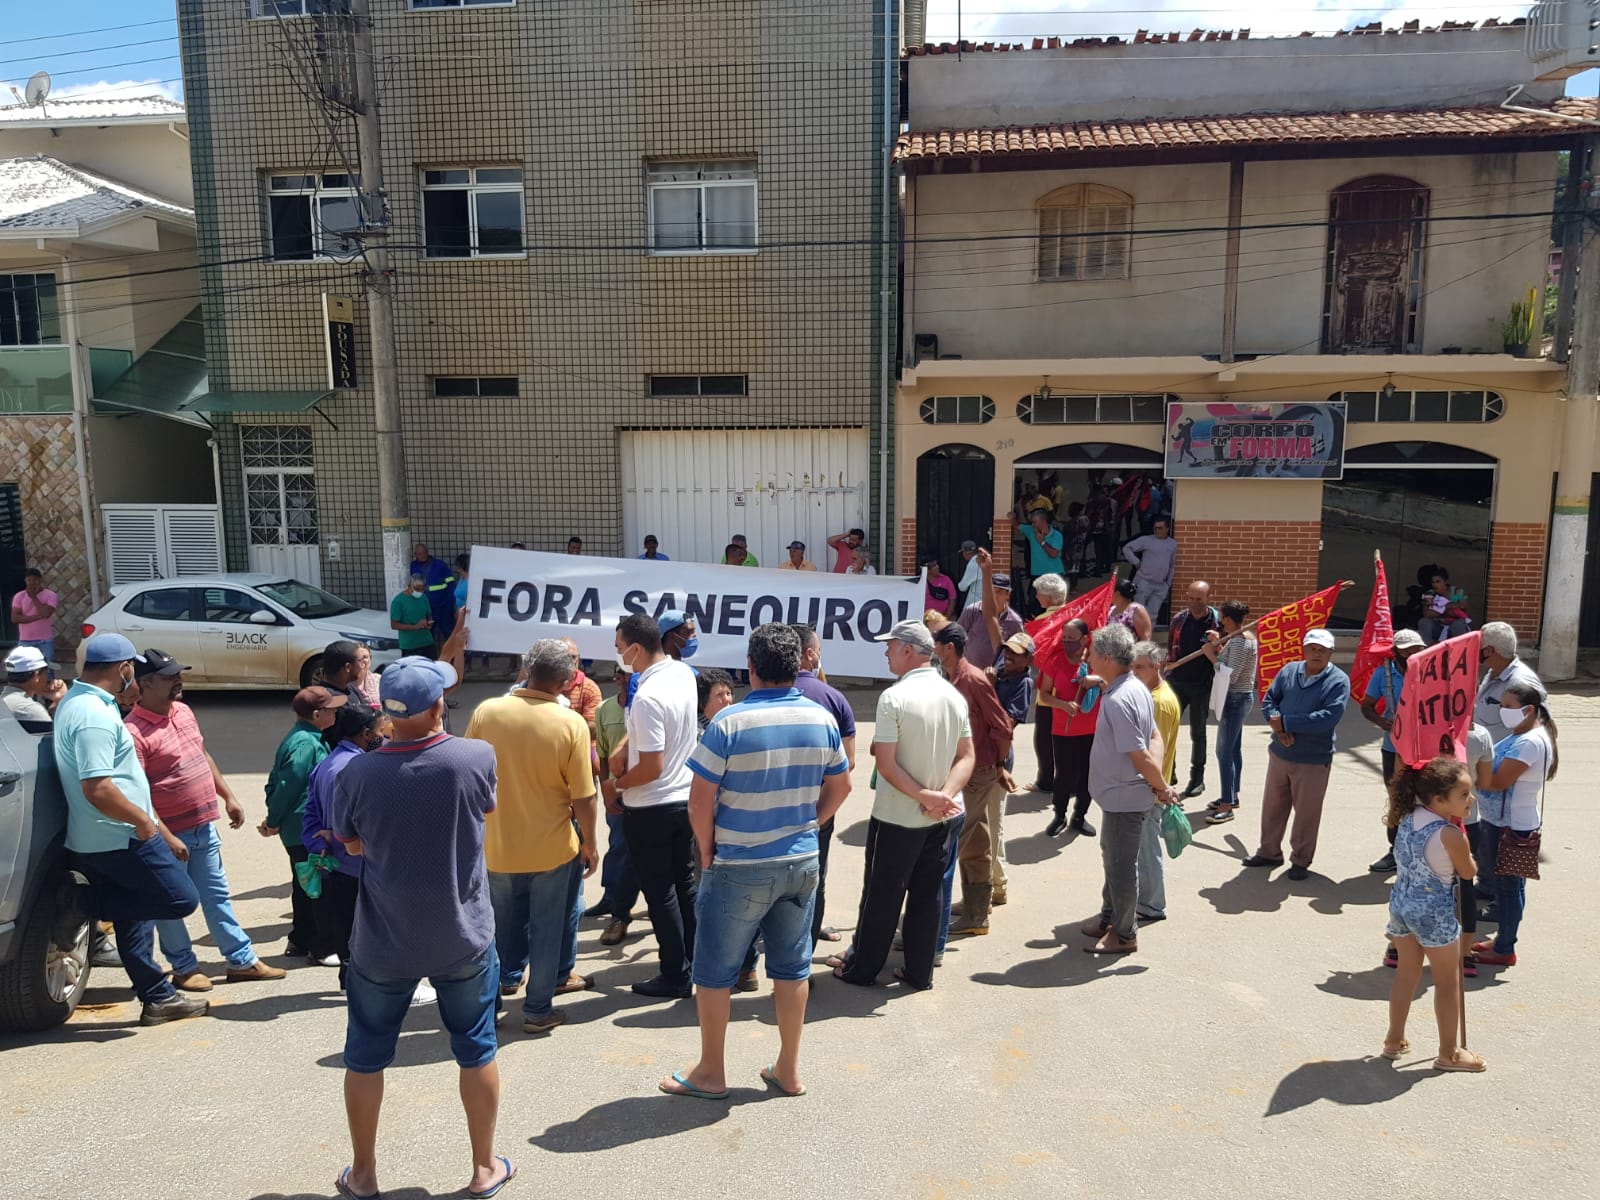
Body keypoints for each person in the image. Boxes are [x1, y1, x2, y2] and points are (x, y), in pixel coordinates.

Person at [328, 655, 515, 1200]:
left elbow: (352, 842)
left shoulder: (357, 771)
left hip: (382, 940)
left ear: (385, 714)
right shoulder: (474, 757)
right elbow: (487, 808)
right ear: (439, 707)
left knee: (364, 1056)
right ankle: (484, 1169)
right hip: (463, 933)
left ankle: (363, 1175)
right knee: (476, 1049)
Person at [659, 624, 850, 1100]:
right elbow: (841, 785)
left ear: (751, 668)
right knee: (792, 967)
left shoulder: (729, 723)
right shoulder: (821, 717)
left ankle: (711, 1071)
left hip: (739, 863)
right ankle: (788, 1068)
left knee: (714, 972)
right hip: (801, 859)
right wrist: (811, 823)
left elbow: (699, 802)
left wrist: (706, 849)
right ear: (799, 665)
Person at [52, 633, 206, 1026]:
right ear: (123, 669)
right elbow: (99, 787)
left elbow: (123, 779)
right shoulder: (94, 716)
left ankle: (158, 997)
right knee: (180, 899)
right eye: (132, 670)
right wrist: (144, 824)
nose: (134, 677)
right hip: (118, 837)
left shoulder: (79, 702)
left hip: (108, 834)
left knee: (133, 918)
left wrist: (158, 826)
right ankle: (84, 908)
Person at [126, 649, 284, 990]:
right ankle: (184, 967)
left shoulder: (182, 711)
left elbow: (202, 753)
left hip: (202, 826)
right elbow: (137, 794)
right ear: (146, 683)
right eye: (169, 678)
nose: (178, 682)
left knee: (217, 896)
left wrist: (227, 795)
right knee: (170, 906)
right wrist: (166, 836)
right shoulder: (134, 732)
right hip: (168, 836)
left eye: (178, 675)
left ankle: (241, 960)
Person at [466, 640, 599, 1036]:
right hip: (552, 849)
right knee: (547, 930)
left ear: (526, 668)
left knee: (495, 927)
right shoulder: (570, 724)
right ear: (562, 683)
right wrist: (591, 843)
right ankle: (538, 1011)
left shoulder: (486, 712)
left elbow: (470, 774)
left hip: (496, 846)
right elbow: (584, 796)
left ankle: (498, 991)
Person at [831, 620, 972, 990]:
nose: (886, 652)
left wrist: (927, 796)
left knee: (882, 896)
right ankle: (919, 972)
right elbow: (967, 757)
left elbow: (887, 765)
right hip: (938, 817)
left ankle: (863, 970)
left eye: (890, 646)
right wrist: (943, 796)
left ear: (908, 650)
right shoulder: (952, 695)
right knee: (928, 896)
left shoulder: (894, 698)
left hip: (897, 817)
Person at [610, 613, 701, 999]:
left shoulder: (647, 696)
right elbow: (653, 738)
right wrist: (625, 747)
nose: (618, 656)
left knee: (660, 893)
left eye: (619, 649)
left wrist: (619, 785)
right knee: (685, 885)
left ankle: (674, 973)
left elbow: (651, 766)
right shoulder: (682, 674)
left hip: (652, 804)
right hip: (684, 798)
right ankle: (697, 964)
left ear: (635, 648)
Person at [1381, 757, 1486, 1072]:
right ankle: (1448, 1052)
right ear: (1439, 800)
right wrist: (1466, 855)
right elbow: (1467, 873)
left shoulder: (1408, 817)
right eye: (1464, 795)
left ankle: (1393, 1039)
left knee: (1406, 975)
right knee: (1447, 982)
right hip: (1433, 912)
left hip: (1401, 903)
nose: (1471, 800)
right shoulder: (1451, 834)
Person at [1080, 624, 1179, 955]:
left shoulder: (1121, 698)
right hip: (1121, 796)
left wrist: (1161, 787)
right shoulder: (1133, 687)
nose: (1088, 655)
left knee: (1121, 868)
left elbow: (1140, 753)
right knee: (1114, 861)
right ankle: (1110, 918)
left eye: (1092, 651)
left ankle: (1124, 934)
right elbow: (1155, 738)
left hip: (1125, 798)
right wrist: (1158, 781)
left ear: (1106, 657)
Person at [1242, 629, 1351, 881]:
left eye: (1323, 649)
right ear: (1304, 649)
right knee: (1273, 807)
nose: (1317, 653)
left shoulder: (1337, 681)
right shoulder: (1289, 671)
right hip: (1281, 752)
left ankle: (1300, 860)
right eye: (1312, 647)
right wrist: (1278, 727)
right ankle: (1269, 852)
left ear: (1331, 653)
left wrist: (1286, 722)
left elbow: (1328, 717)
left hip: (1313, 759)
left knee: (1306, 814)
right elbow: (1270, 701)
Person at [931, 623, 1013, 938]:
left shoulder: (973, 680)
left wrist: (999, 765)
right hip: (966, 769)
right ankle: (975, 904)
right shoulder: (954, 678)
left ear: (948, 648)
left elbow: (1002, 727)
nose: (934, 651)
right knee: (971, 837)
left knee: (971, 838)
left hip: (978, 771)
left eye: (936, 645)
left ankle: (977, 914)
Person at [1474, 681, 1557, 968]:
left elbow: (1497, 782)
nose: (1502, 711)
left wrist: (1469, 774)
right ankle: (1502, 941)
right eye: (1501, 705)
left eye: (1508, 707)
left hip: (1512, 827)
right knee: (1510, 887)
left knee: (1509, 889)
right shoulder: (1521, 735)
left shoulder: (1529, 742)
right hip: (1507, 822)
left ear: (1529, 710)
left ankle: (1506, 947)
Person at [263, 686, 346, 965]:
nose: (336, 712)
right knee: (317, 886)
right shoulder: (305, 744)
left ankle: (300, 938)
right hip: (303, 828)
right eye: (331, 708)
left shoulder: (309, 737)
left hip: (301, 826)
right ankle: (321, 947)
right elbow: (287, 786)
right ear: (316, 714)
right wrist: (273, 820)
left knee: (304, 883)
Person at [302, 704, 384, 987]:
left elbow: (310, 811)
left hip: (337, 864)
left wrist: (319, 841)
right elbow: (358, 821)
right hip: (359, 864)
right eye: (378, 732)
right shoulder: (356, 769)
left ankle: (349, 976)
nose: (381, 737)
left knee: (347, 926)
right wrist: (335, 836)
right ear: (365, 734)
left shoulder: (327, 763)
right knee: (370, 929)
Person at [790, 624, 857, 946]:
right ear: (810, 654)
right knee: (814, 876)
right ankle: (803, 950)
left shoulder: (763, 695)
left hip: (769, 803)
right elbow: (849, 764)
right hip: (819, 806)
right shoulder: (834, 698)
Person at [1361, 628, 1427, 874]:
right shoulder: (1383, 674)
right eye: (1407, 650)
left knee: (1428, 797)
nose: (1413, 655)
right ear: (1396, 653)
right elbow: (1366, 706)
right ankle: (1395, 850)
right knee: (1397, 797)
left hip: (1426, 747)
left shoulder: (1432, 672)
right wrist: (1381, 722)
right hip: (1393, 746)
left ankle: (1423, 851)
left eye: (1417, 650)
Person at [591, 664, 640, 946]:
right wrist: (607, 790)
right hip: (618, 793)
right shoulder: (606, 709)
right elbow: (604, 754)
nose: (632, 680)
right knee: (620, 849)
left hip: (648, 793)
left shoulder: (650, 706)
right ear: (617, 678)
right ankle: (614, 906)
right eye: (626, 674)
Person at [1131, 641, 1179, 925]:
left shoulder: (1158, 702)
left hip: (1150, 790)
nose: (1134, 672)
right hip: (1152, 787)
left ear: (1156, 667)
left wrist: (1156, 788)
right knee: (1144, 850)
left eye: (1140, 667)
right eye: (1132, 666)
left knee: (1148, 851)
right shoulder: (1151, 695)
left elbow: (1153, 752)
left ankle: (1152, 904)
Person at [1041, 617, 1101, 839]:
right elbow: (1044, 695)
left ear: (1085, 639)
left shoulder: (1097, 661)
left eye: (1072, 638)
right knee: (1064, 775)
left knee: (1088, 774)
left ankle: (1080, 816)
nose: (1067, 642)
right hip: (1063, 729)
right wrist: (1063, 705)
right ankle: (1059, 815)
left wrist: (1096, 679)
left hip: (1092, 729)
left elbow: (1113, 682)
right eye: (1064, 638)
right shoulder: (1055, 662)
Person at [1202, 600, 1257, 824]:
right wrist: (1217, 645)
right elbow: (1230, 660)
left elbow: (1230, 675)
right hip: (1238, 699)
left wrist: (1210, 656)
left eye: (1222, 617)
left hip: (1235, 699)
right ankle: (1231, 795)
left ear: (1227, 618)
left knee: (1224, 752)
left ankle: (1226, 804)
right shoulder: (1243, 638)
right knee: (1233, 749)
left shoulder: (1240, 641)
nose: (1219, 621)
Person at [1164, 581, 1219, 799]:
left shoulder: (1216, 623)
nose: (1195, 603)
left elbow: (1223, 654)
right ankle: (1169, 772)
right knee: (1168, 729)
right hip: (1177, 681)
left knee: (1198, 733)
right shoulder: (1178, 620)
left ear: (1208, 598)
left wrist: (1216, 645)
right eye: (1192, 598)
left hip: (1202, 685)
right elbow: (1170, 648)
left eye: (1200, 599)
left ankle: (1197, 779)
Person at [1026, 572, 1070, 790]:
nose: (1036, 598)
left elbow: (1036, 655)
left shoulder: (1042, 622)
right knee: (1071, 738)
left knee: (1045, 738)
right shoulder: (1077, 618)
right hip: (1073, 686)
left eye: (1039, 594)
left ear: (1049, 598)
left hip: (1049, 686)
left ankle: (1045, 780)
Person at [1473, 622, 1543, 743]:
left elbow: (1539, 725)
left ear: (1488, 651)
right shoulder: (1492, 673)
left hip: (1505, 758)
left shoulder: (1520, 682)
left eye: (1479, 647)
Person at [957, 556, 1023, 671]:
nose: (993, 595)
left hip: (1000, 677)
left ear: (1007, 594)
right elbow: (956, 636)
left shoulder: (1014, 621)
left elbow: (1020, 650)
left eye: (998, 592)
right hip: (972, 673)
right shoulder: (972, 611)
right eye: (991, 591)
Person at [1122, 517, 1177, 621]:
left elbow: (1172, 564)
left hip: (1161, 585)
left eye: (1160, 528)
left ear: (1167, 529)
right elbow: (1127, 548)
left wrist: (1168, 583)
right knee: (1137, 613)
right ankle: (1136, 637)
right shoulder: (1146, 540)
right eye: (1155, 528)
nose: (1157, 530)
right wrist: (1136, 562)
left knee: (1153, 615)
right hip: (1144, 581)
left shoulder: (1172, 544)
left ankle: (1147, 637)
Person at [3, 644, 65, 730]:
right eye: (47, 672)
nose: (48, 677)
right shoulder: (30, 709)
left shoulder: (6, 702)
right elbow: (61, 738)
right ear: (37, 675)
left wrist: (57, 703)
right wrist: (64, 700)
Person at [11, 566, 58, 666]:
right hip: (25, 641)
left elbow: (45, 614)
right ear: (25, 581)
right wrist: (36, 617)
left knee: (47, 670)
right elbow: (15, 618)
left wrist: (33, 597)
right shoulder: (19, 596)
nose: (32, 582)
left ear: (40, 580)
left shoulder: (50, 595)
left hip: (45, 641)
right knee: (25, 671)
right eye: (29, 580)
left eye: (35, 580)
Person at [411, 542, 458, 643]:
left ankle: (453, 657)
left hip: (443, 607)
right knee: (427, 634)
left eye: (423, 553)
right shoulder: (413, 566)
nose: (422, 556)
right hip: (423, 608)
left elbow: (451, 584)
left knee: (449, 632)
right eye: (419, 554)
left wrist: (450, 604)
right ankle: (430, 656)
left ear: (427, 552)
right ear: (415, 555)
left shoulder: (440, 565)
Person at [1023, 510, 1064, 617]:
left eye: (1035, 522)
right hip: (1037, 575)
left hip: (1054, 575)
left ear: (1043, 521)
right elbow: (1017, 525)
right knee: (1034, 602)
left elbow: (1054, 553)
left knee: (1053, 604)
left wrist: (1042, 542)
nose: (1033, 524)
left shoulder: (1056, 535)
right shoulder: (1031, 531)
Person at [1418, 567, 1471, 643]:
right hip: (1438, 626)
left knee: (1457, 625)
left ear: (1445, 582)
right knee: (1423, 622)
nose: (1435, 584)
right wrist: (1448, 608)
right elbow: (1427, 614)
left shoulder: (1456, 591)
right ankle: (1426, 651)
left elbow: (1463, 606)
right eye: (1433, 582)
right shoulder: (1429, 594)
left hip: (1455, 624)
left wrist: (1439, 608)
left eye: (1438, 581)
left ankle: (1461, 652)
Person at [389, 574, 436, 660]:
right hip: (410, 646)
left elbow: (429, 615)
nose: (420, 592)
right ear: (409, 586)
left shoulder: (423, 597)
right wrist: (415, 627)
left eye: (422, 589)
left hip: (427, 642)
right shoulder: (399, 601)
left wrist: (429, 622)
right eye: (417, 589)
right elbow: (394, 625)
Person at [351, 643, 381, 711]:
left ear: (370, 659)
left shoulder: (378, 679)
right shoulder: (345, 683)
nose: (361, 660)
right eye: (357, 657)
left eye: (365, 657)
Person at [955, 539, 982, 611]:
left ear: (966, 553)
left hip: (976, 601)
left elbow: (962, 587)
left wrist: (957, 584)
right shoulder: (983, 560)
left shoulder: (973, 564)